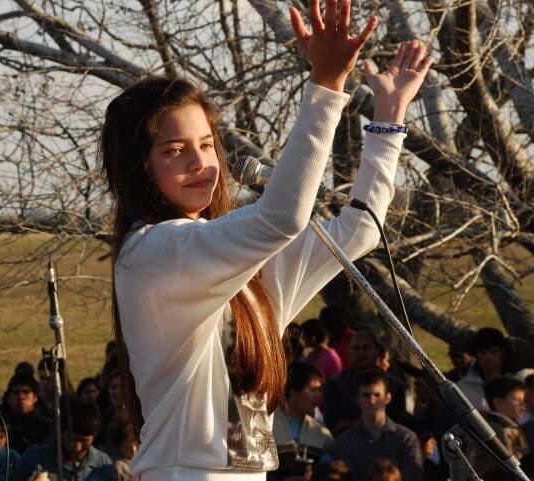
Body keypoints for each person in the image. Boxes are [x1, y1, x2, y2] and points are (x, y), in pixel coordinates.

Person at [99, 0, 433, 477]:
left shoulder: (236, 262)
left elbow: (356, 232)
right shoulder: (152, 253)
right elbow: (281, 217)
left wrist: (388, 118)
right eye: (174, 151)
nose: (199, 163)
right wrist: (326, 85)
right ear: (138, 168)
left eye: (207, 145)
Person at [332, 370, 422, 481]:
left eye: (377, 395)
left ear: (387, 398)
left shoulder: (406, 439)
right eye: (366, 395)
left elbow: (412, 477)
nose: (372, 401)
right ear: (357, 399)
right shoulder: (345, 442)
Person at [323, 330, 408, 435]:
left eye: (366, 348)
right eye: (356, 348)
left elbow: (398, 426)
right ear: (348, 351)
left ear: (376, 351)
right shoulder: (335, 385)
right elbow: (333, 425)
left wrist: (353, 424)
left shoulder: (394, 386)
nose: (361, 353)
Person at [14, 397, 115, 481]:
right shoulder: (34, 460)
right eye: (72, 438)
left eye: (85, 441)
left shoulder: (104, 464)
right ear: (61, 433)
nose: (77, 447)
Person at [272, 363, 334, 481]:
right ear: (293, 390)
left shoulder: (320, 432)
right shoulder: (266, 426)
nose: (318, 395)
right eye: (313, 390)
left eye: (320, 390)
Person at [469, 377, 530, 479]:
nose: (523, 404)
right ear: (498, 402)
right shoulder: (495, 430)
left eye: (523, 400)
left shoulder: (511, 426)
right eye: (517, 399)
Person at [457, 327, 515, 412]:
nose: (488, 357)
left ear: (503, 354)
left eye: (493, 351)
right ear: (476, 355)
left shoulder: (517, 384)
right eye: (482, 352)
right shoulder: (462, 389)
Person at [3, 374, 53, 453]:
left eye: (26, 392)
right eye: (16, 392)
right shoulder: (2, 424)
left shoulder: (46, 426)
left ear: (35, 397)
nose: (21, 397)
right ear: (8, 398)